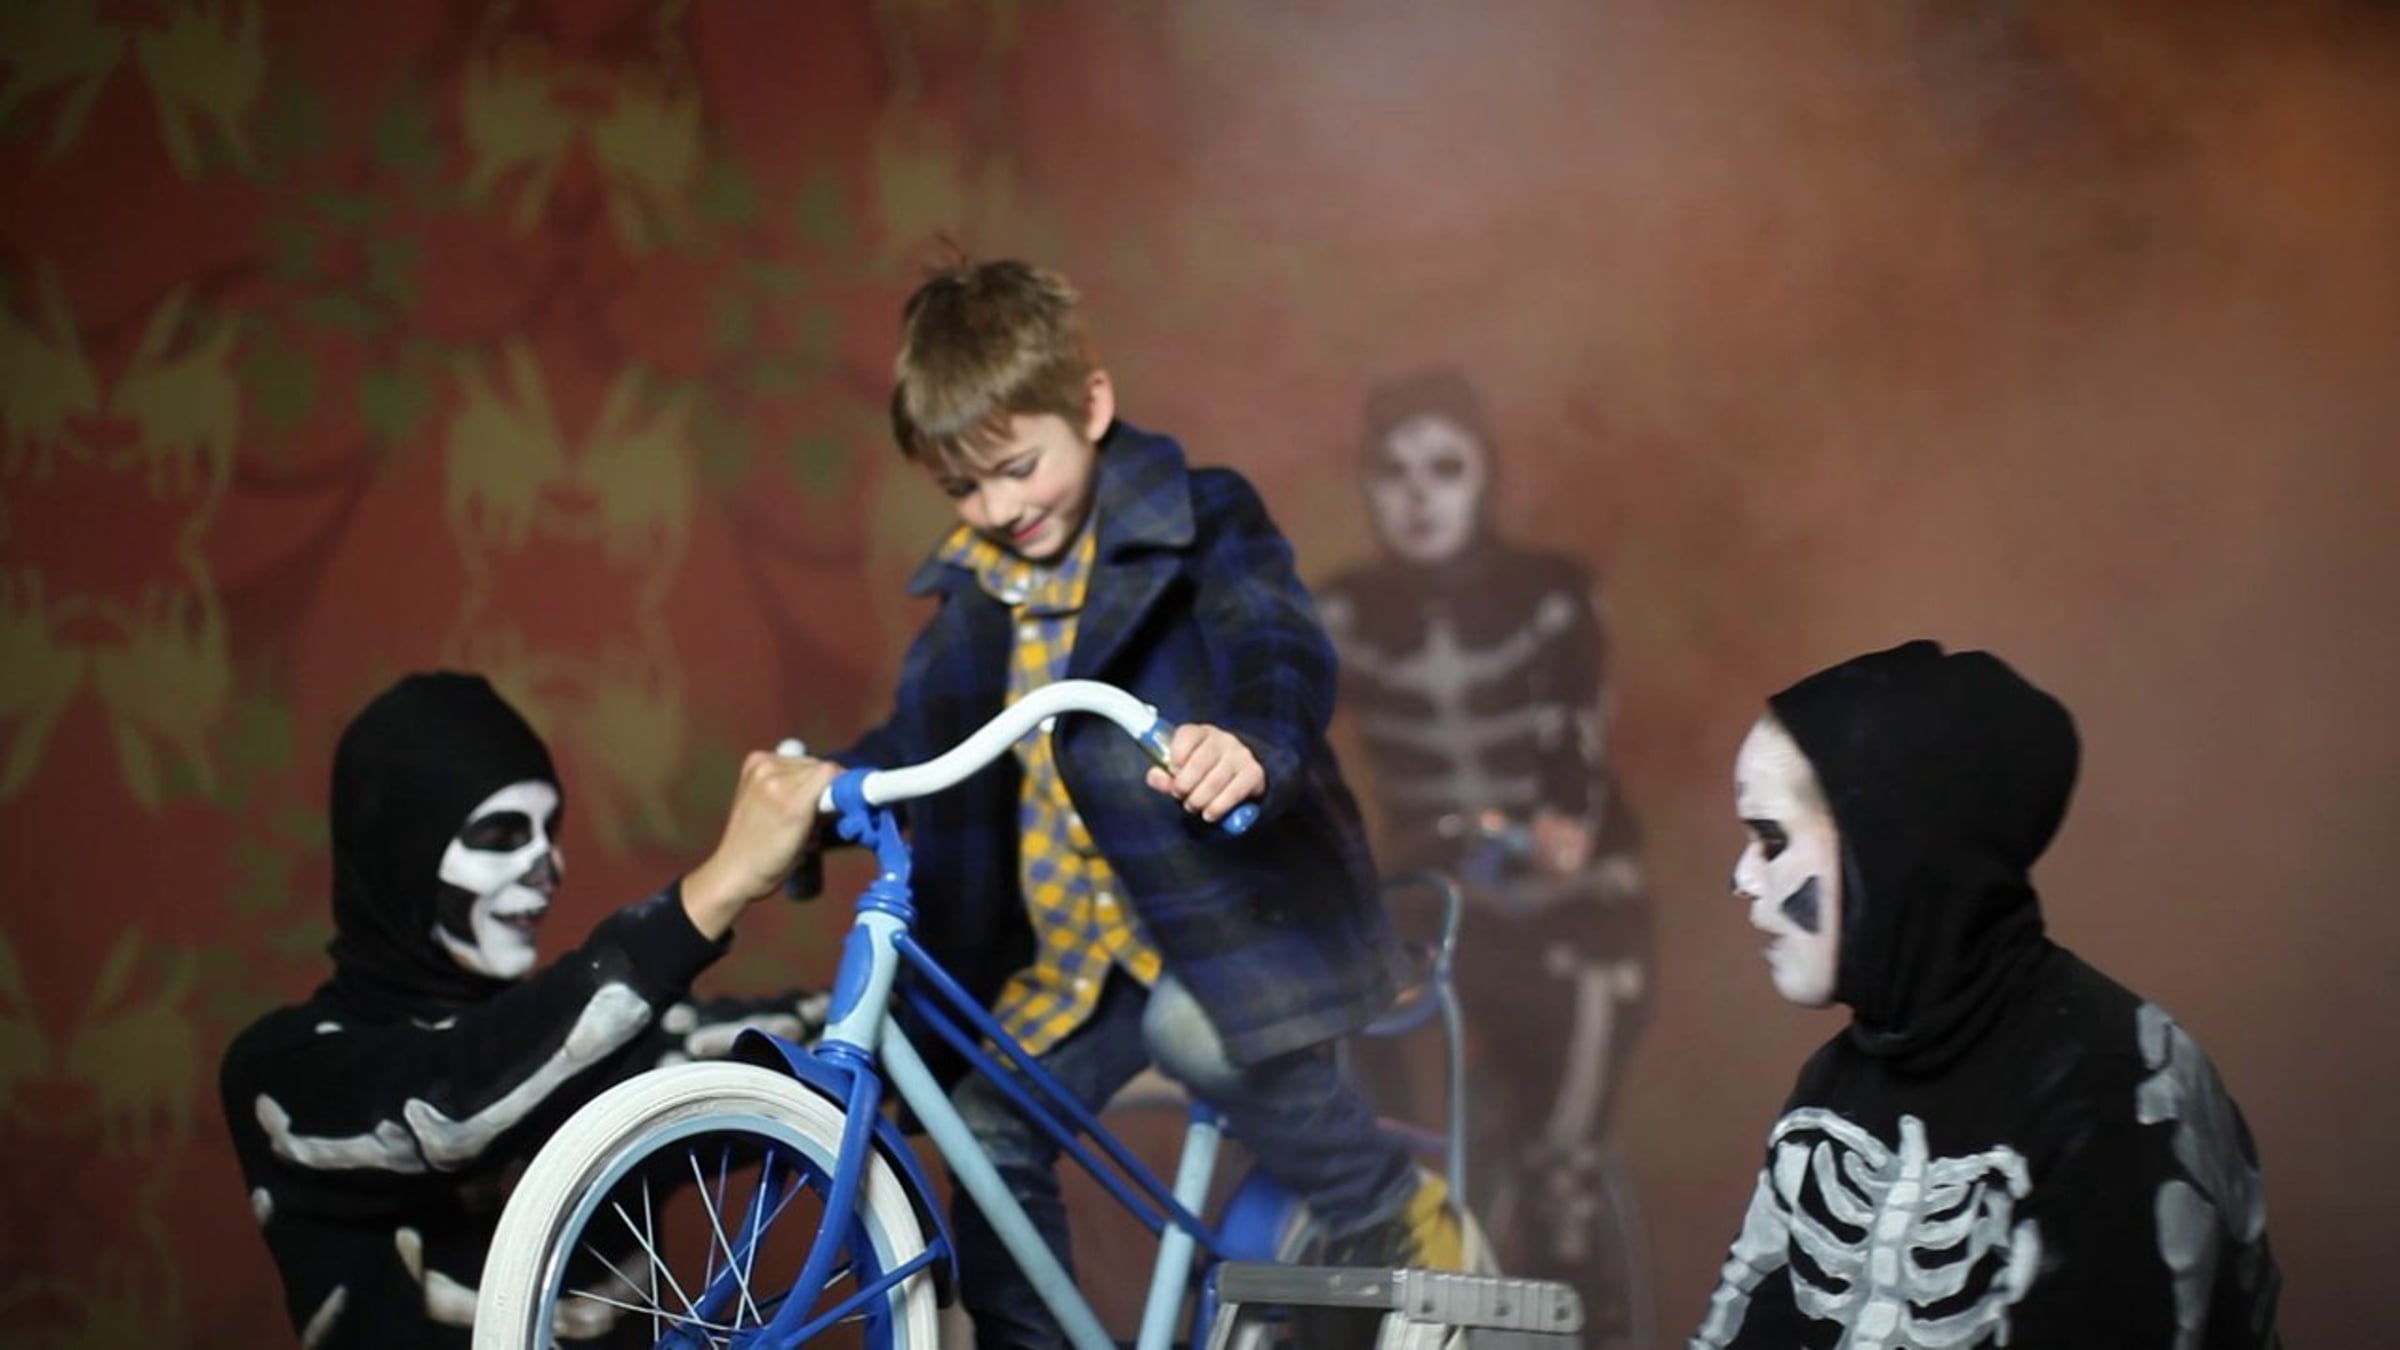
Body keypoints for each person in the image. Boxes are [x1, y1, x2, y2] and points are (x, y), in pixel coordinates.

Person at [827, 257, 1464, 1348]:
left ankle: (1382, 1199)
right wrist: (826, 779)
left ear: (1091, 406)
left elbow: (1276, 639)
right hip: (1083, 959)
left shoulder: (1199, 519)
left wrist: (1254, 743)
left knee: (1196, 1028)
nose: (998, 509)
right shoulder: (976, 592)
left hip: (1225, 922)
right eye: (964, 490)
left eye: (1017, 469)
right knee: (982, 1126)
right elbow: (925, 737)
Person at [219, 671, 839, 1348]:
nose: (548, 864)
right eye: (501, 834)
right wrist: (717, 888)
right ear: (403, 851)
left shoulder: (603, 1047)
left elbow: (806, 1055)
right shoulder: (285, 1069)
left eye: (550, 831)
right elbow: (451, 1103)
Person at [1694, 640, 2281, 1348]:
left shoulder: (2123, 1086)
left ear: (1892, 845)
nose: (1742, 879)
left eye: (1771, 839)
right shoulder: (1833, 1088)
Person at [1315, 368, 1654, 1329]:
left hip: (1576, 913)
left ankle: (1581, 1308)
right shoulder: (1342, 613)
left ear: (1485, 476)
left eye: (1445, 468)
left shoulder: (1553, 596)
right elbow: (1288, 726)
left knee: (1560, 1174)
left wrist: (1559, 820)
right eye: (1394, 472)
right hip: (1435, 901)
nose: (1418, 495)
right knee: (1352, 1062)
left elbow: (1573, 735)